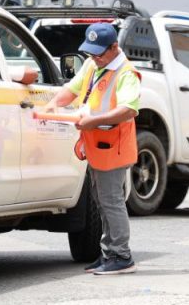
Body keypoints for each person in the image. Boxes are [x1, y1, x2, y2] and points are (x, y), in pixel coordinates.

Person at [44, 22, 141, 275]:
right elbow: (72, 89)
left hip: (114, 147)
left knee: (111, 201)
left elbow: (128, 109)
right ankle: (109, 253)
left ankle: (121, 255)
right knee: (102, 200)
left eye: (99, 53)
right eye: (90, 52)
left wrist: (94, 121)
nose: (94, 57)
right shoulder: (92, 64)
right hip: (97, 145)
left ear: (114, 47)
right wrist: (54, 104)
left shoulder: (126, 73)